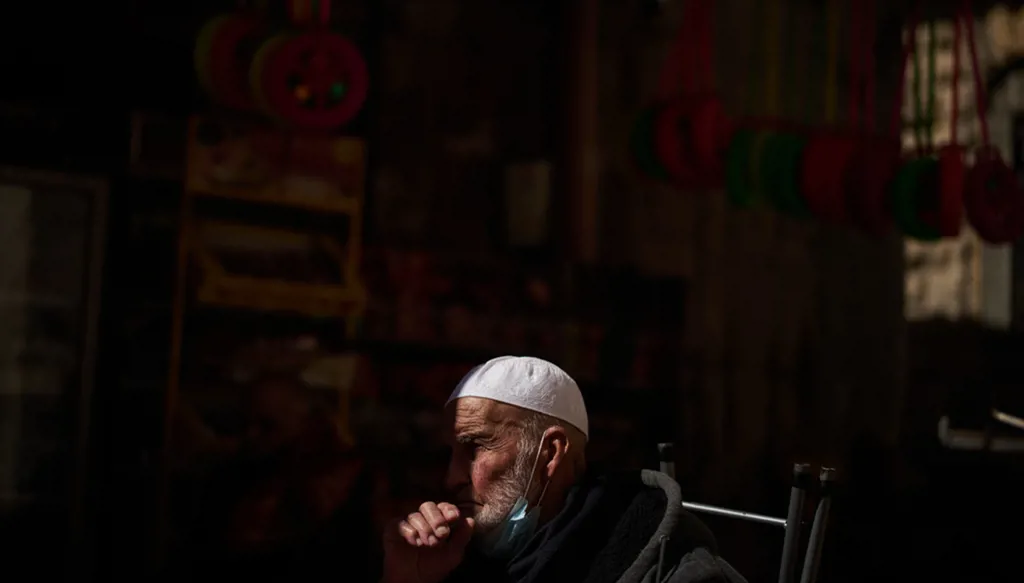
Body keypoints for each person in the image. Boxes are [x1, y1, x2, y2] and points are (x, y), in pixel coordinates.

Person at [381, 356, 747, 583]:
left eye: (475, 447)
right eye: (450, 454)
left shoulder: (677, 574)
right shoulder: (450, 564)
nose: (451, 478)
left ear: (549, 454)